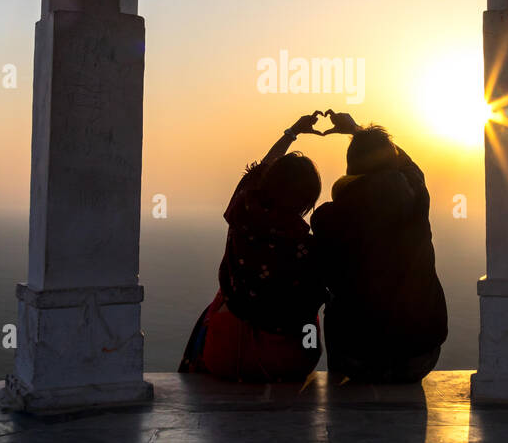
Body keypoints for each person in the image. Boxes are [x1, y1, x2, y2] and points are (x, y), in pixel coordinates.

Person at [178, 113, 326, 382]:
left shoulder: (242, 210)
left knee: (223, 299)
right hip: (290, 363)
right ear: (308, 199)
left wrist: (292, 133)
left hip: (225, 355)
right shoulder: (307, 245)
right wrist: (356, 132)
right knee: (309, 316)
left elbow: (261, 169)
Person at [310, 110, 448, 383]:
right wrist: (357, 130)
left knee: (335, 300)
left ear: (351, 167)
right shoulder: (416, 194)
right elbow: (409, 165)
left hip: (359, 360)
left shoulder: (327, 218)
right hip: (419, 357)